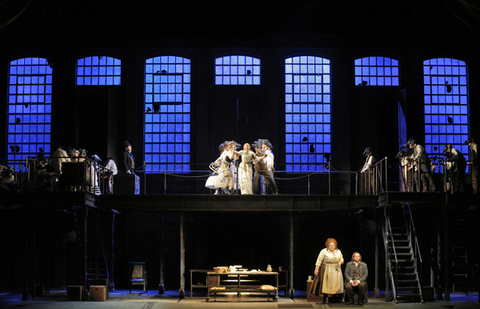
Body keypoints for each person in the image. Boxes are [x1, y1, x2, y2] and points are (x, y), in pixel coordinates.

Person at [310, 238, 344, 304]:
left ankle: (334, 298)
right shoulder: (324, 251)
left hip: (336, 269)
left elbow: (342, 258)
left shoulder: (338, 251)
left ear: (335, 245)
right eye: (330, 245)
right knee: (326, 284)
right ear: (327, 245)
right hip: (327, 268)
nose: (331, 246)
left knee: (335, 284)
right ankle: (324, 298)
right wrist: (316, 269)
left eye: (333, 245)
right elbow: (319, 261)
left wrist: (340, 262)